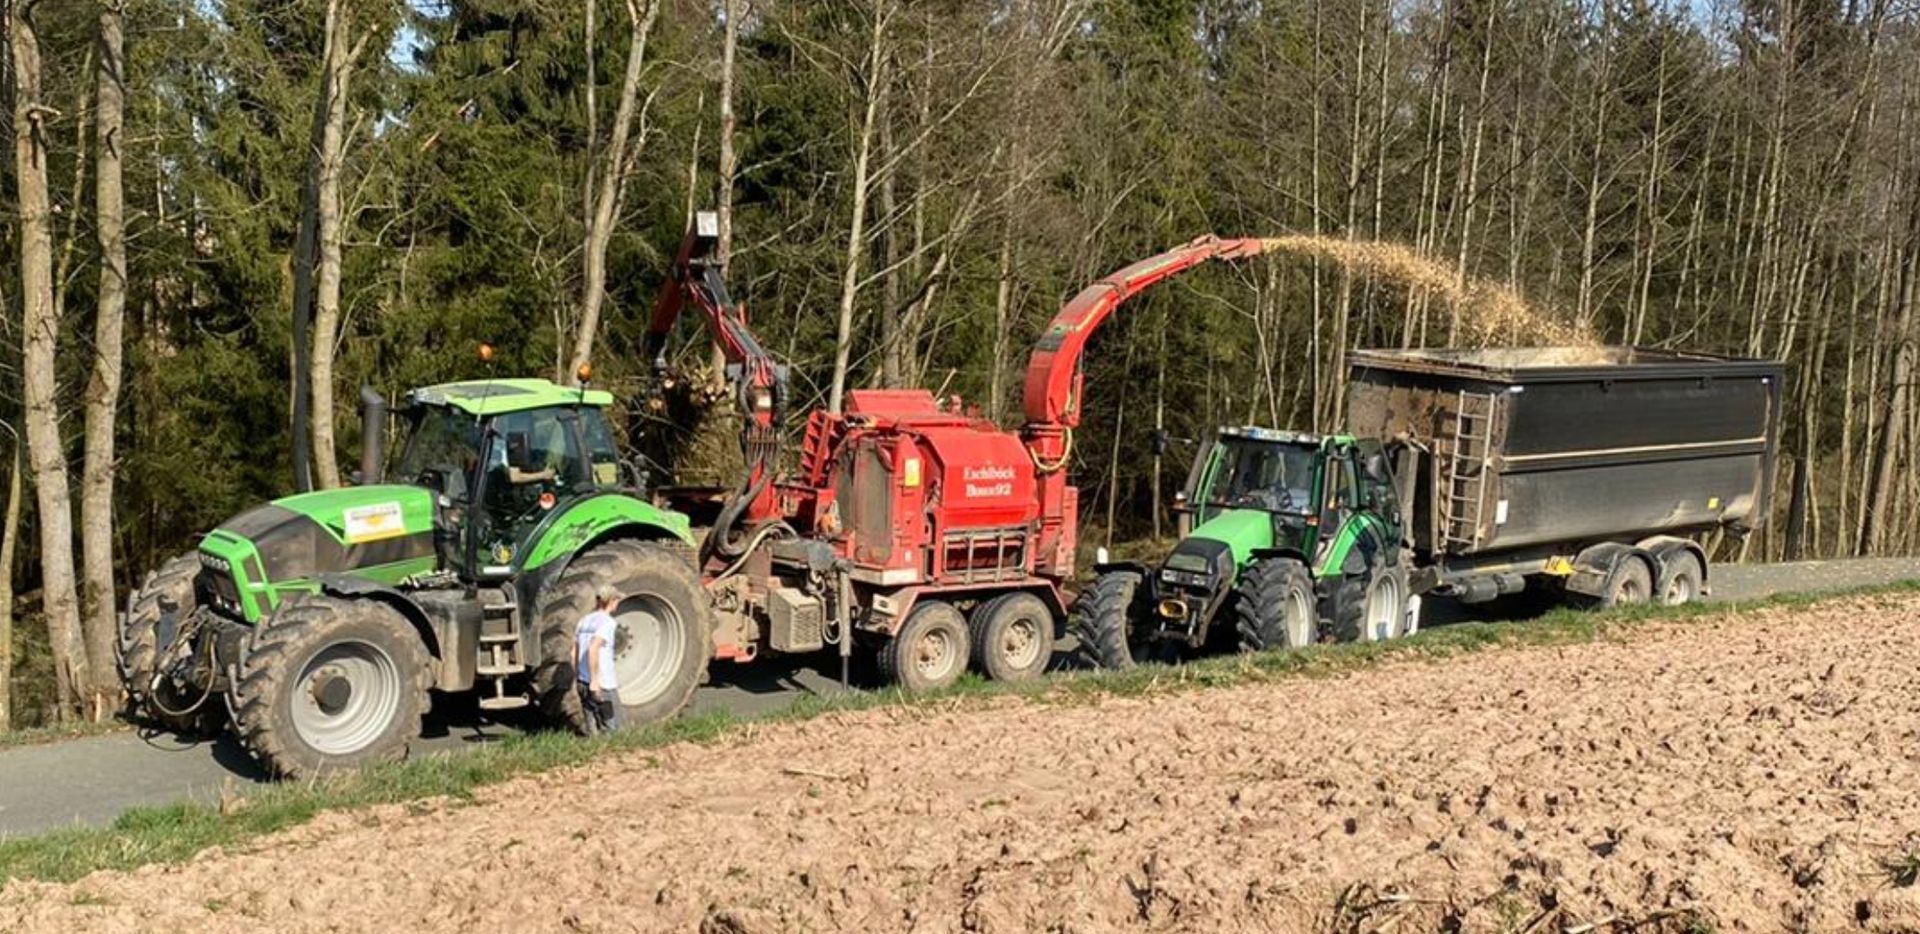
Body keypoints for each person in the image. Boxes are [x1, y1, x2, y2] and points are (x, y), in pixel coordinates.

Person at [575, 585, 621, 733]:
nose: (618, 602)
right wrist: (595, 681)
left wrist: (578, 676)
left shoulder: (584, 621)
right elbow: (593, 648)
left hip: (583, 682)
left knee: (592, 729)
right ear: (611, 601)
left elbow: (574, 651)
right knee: (612, 729)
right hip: (602, 684)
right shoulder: (608, 622)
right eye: (617, 599)